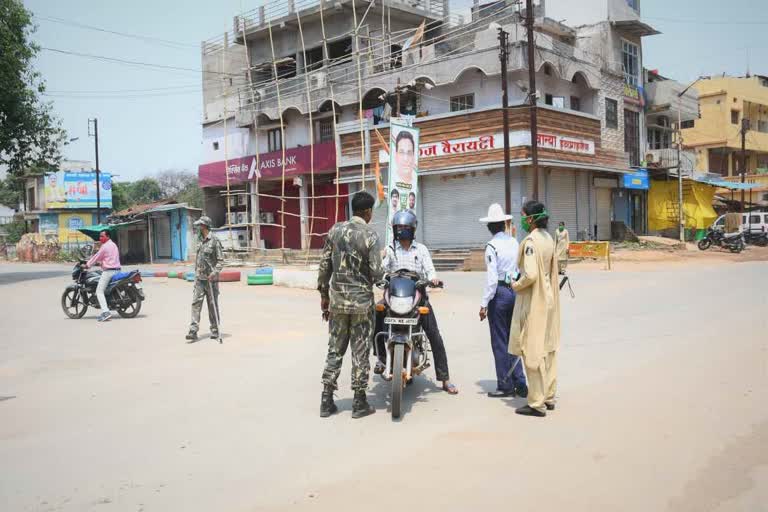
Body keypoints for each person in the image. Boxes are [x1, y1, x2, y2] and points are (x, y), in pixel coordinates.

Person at [375, 210, 458, 394]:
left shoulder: (421, 249)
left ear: (413, 230)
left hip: (416, 294)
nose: (402, 231)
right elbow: (382, 270)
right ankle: (381, 358)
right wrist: (380, 277)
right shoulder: (390, 249)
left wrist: (433, 279)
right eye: (399, 228)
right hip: (395, 294)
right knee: (377, 312)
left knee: (434, 335)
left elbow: (429, 269)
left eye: (406, 228)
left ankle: (445, 379)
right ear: (395, 229)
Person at [318, 191, 383, 419]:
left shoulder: (334, 230)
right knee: (360, 351)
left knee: (335, 349)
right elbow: (376, 273)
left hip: (336, 303)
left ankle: (326, 400)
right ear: (367, 212)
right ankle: (359, 402)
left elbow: (324, 265)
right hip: (361, 305)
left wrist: (324, 295)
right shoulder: (370, 235)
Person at [509, 200, 561, 417]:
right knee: (548, 349)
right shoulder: (548, 238)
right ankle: (549, 396)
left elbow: (530, 275)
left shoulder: (530, 243)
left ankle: (536, 402)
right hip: (548, 298)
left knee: (532, 350)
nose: (521, 219)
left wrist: (515, 284)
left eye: (523, 216)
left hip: (535, 300)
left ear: (530, 219)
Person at [478, 204, 527, 398]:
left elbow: (491, 280)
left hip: (499, 293)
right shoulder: (514, 242)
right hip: (515, 290)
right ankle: (520, 381)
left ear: (490, 227)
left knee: (500, 340)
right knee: (514, 339)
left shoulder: (491, 246)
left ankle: (505, 385)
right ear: (504, 224)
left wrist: (483, 304)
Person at [186, 216, 224, 342]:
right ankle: (193, 330)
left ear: (205, 226)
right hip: (200, 279)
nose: (198, 228)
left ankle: (215, 329)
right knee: (196, 303)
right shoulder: (199, 240)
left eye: (200, 225)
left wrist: (214, 273)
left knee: (212, 305)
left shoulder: (214, 241)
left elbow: (220, 261)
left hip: (210, 279)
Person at [84, 229, 121, 322]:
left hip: (109, 271)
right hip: (117, 270)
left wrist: (87, 265)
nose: (100, 238)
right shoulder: (113, 245)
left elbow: (96, 257)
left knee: (99, 291)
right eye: (100, 236)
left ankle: (106, 312)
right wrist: (102, 263)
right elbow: (108, 258)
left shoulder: (105, 247)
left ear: (108, 237)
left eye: (102, 236)